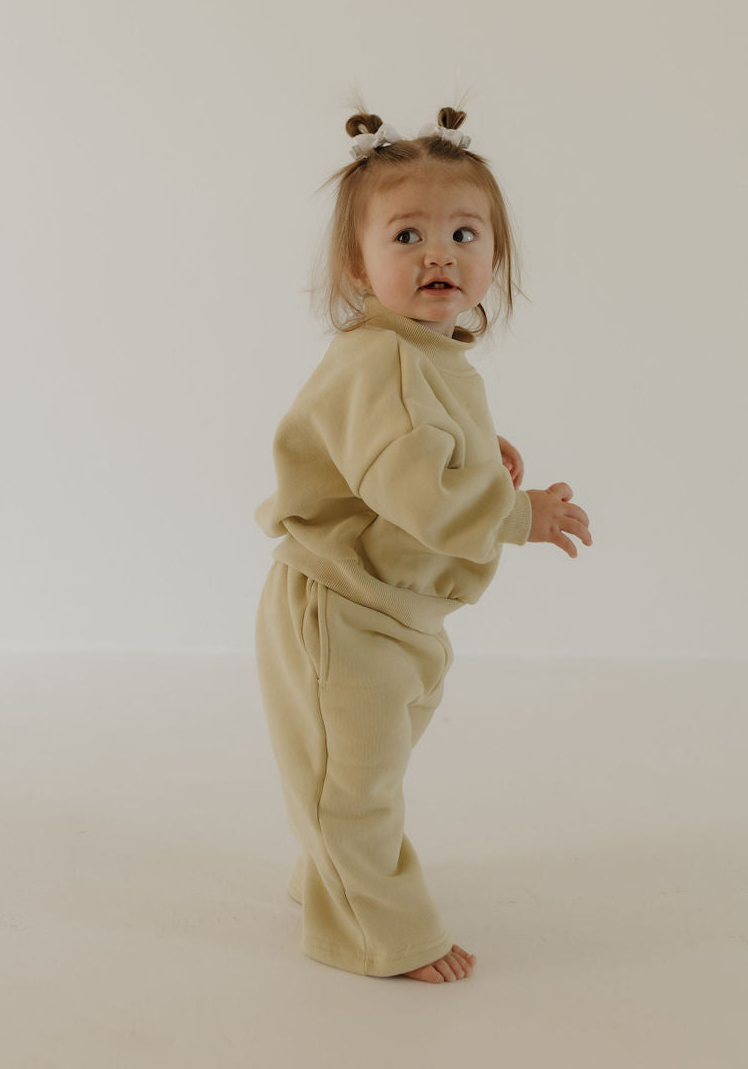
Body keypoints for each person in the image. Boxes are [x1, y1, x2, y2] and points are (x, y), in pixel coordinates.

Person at [253, 103, 593, 984]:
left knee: (363, 761)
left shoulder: (423, 351)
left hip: (392, 607)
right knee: (355, 779)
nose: (438, 253)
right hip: (344, 606)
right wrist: (521, 513)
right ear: (355, 265)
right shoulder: (389, 361)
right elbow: (417, 492)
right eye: (406, 235)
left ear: (493, 256)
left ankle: (331, 872)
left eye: (462, 233)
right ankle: (381, 932)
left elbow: (420, 445)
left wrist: (485, 453)